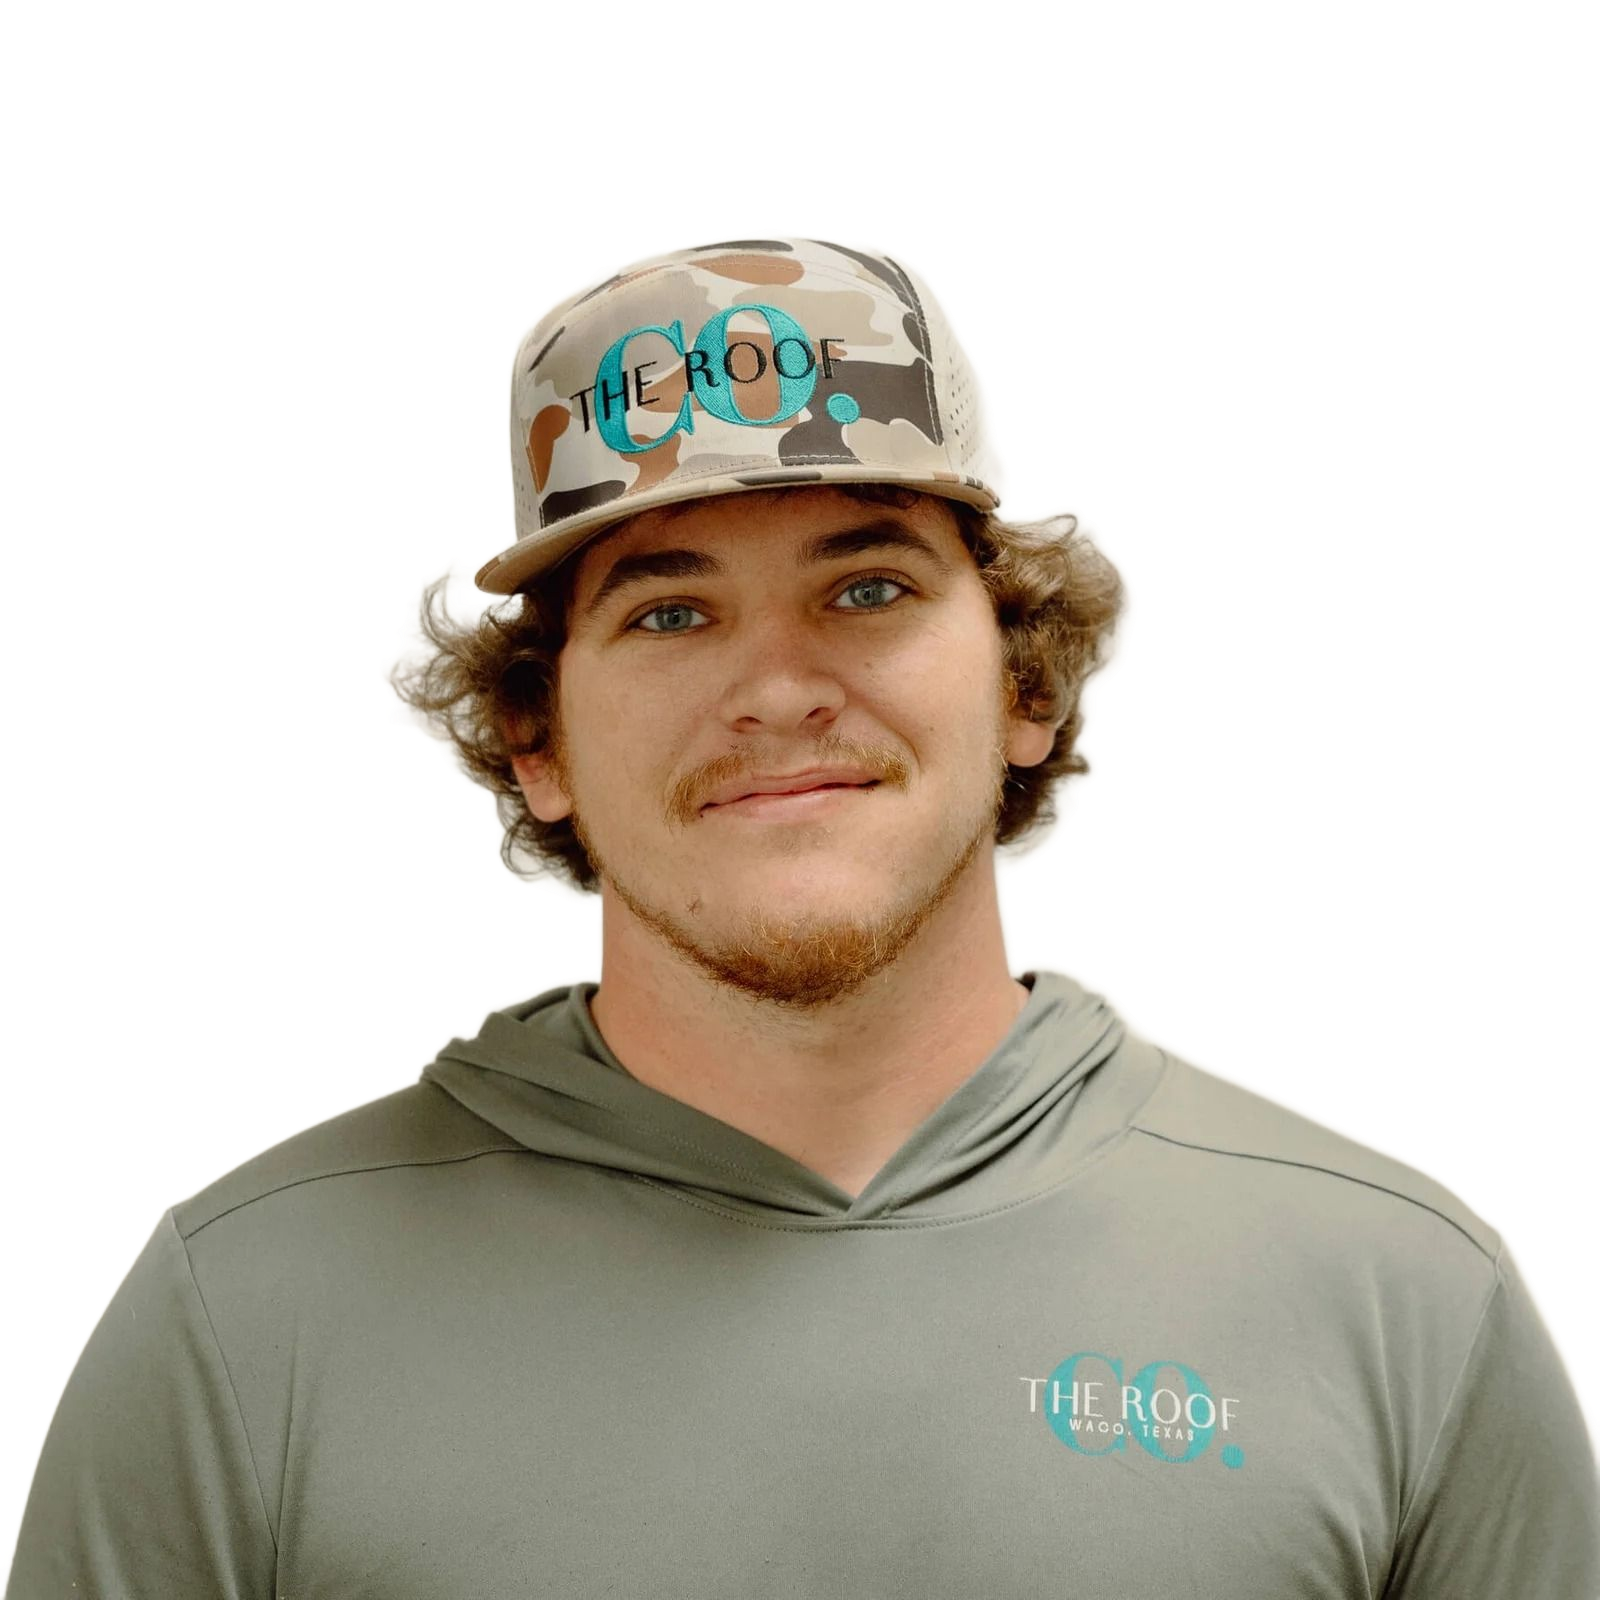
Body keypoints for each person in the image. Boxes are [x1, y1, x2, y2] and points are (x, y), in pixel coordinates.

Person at [3, 228, 1595, 1596]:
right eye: (673, 609)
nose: (777, 689)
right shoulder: (239, 1319)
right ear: (535, 738)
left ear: (1028, 682)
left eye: (870, 587)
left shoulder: (1403, 1299)